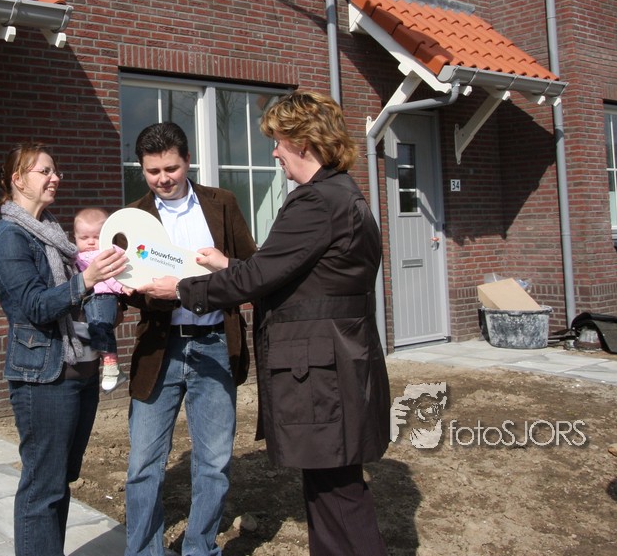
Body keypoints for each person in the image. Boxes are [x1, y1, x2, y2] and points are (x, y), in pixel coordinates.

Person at [139, 91, 392, 556]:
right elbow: (291, 275)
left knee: (338, 499)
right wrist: (229, 266)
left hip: (322, 374)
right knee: (333, 493)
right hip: (343, 363)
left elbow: (260, 278)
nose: (274, 152)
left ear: (304, 141)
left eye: (278, 141)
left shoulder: (315, 202)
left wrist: (182, 290)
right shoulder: (346, 195)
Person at [121, 122, 257, 556]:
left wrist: (215, 270)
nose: (163, 179)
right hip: (160, 348)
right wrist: (129, 288)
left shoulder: (222, 203)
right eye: (153, 171)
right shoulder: (133, 217)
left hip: (215, 343)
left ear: (188, 161)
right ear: (142, 169)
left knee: (214, 461)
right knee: (143, 464)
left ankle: (200, 548)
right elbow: (126, 289)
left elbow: (251, 271)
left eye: (171, 169)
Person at [0, 141, 128, 556]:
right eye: (45, 171)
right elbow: (34, 306)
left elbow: (80, 299)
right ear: (18, 180)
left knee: (60, 479)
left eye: (55, 171)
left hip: (80, 371)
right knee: (42, 487)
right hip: (44, 379)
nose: (55, 178)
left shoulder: (52, 233)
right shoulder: (11, 239)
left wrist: (108, 301)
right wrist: (86, 281)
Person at [74, 207, 128, 391]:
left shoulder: (107, 253)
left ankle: (111, 366)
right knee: (93, 330)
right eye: (84, 237)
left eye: (96, 237)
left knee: (100, 327)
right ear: (75, 238)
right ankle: (111, 366)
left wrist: (122, 287)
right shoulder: (75, 256)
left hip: (103, 296)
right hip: (87, 298)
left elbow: (113, 275)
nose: (90, 242)